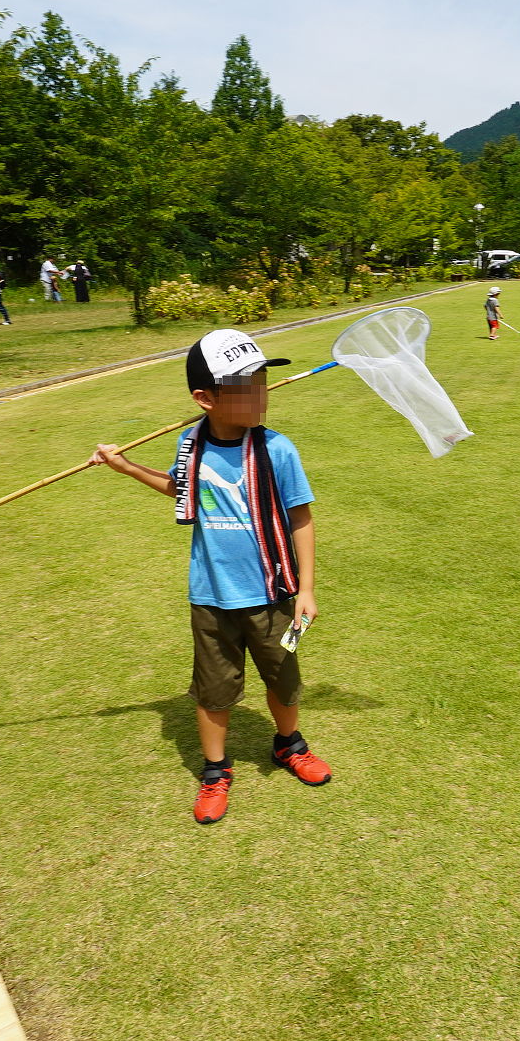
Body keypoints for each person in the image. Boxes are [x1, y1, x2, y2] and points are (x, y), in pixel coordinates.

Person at [87, 329, 331, 824]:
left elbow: (300, 517)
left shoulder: (278, 449)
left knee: (284, 678)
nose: (261, 395)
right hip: (212, 596)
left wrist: (306, 588)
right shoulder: (189, 441)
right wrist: (126, 466)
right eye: (246, 388)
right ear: (205, 398)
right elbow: (185, 493)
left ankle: (289, 745)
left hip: (275, 594)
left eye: (262, 382)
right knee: (213, 690)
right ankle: (216, 771)